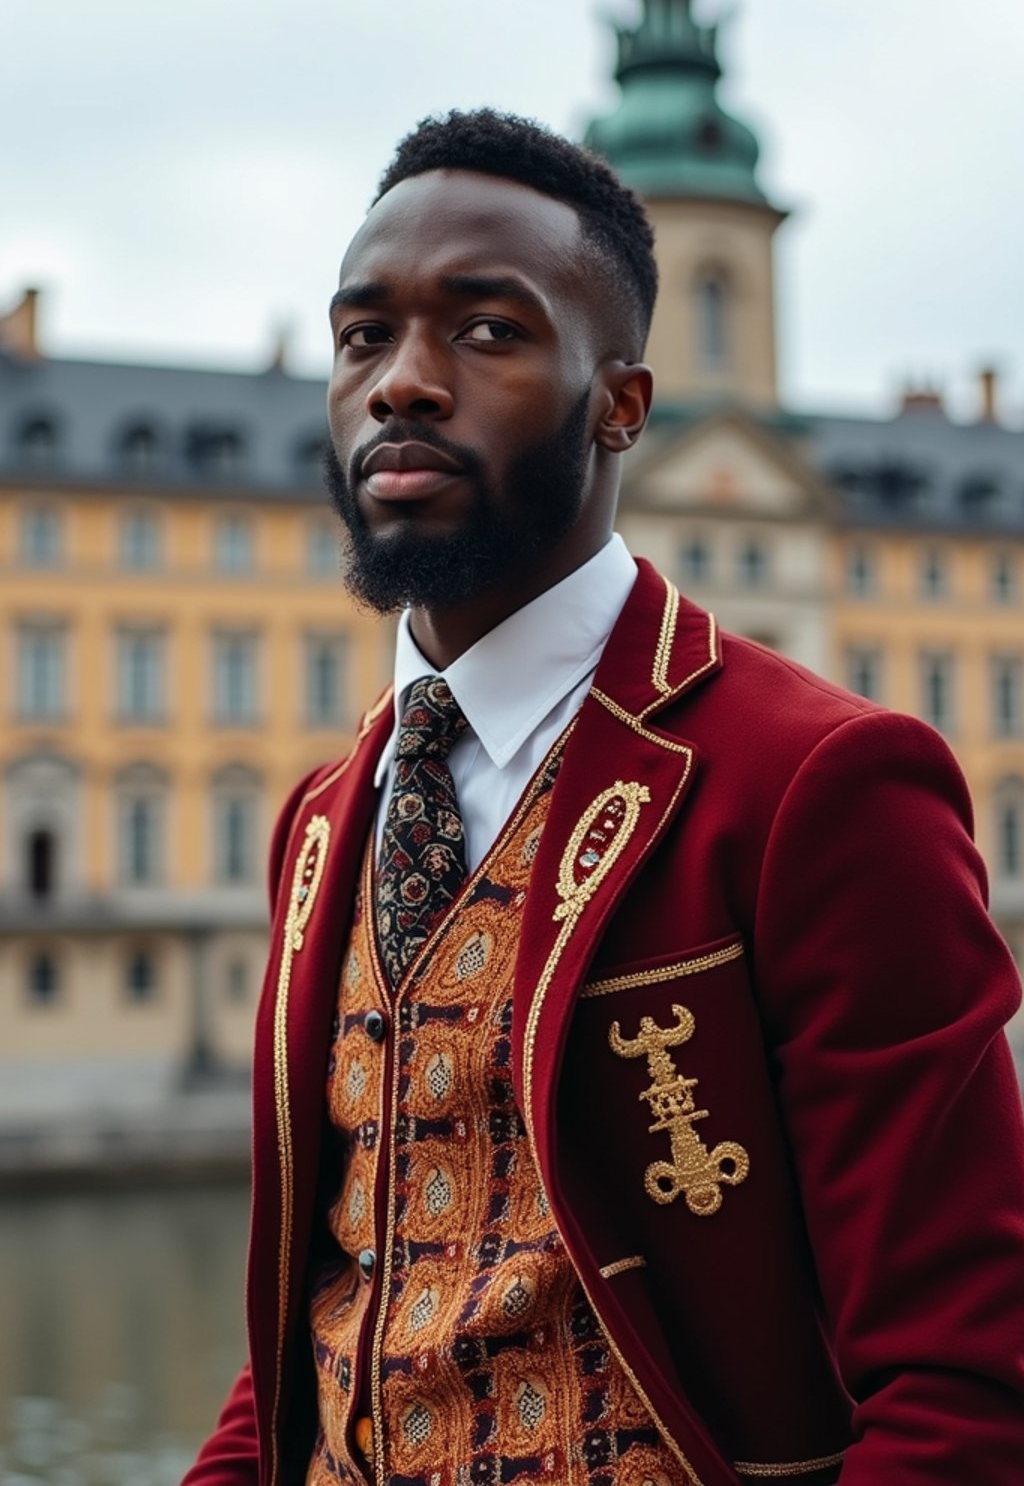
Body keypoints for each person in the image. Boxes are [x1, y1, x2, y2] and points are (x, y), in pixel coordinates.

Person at [185, 110, 1024, 1486]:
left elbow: (965, 1388)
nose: (402, 381)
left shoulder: (819, 782)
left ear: (622, 404)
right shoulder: (324, 817)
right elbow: (314, 1325)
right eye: (361, 337)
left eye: (487, 332)